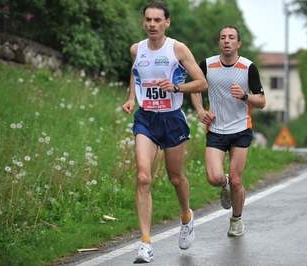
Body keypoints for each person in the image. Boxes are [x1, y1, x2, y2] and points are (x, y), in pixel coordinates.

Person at [121, 0, 207, 263]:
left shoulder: (177, 48)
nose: (152, 24)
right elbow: (136, 73)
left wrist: (176, 87)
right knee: (143, 177)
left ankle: (186, 217)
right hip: (146, 119)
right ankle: (145, 243)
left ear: (167, 22)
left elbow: (201, 82)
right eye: (148, 19)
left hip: (172, 119)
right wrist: (131, 98)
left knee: (176, 177)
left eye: (157, 20)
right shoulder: (137, 49)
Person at [191, 25, 266, 237]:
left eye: (231, 38)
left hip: (241, 128)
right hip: (215, 128)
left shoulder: (248, 67)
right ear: (219, 43)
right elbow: (195, 87)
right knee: (214, 178)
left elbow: (261, 101)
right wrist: (199, 110)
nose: (226, 41)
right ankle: (223, 184)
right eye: (223, 37)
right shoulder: (207, 65)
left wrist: (244, 96)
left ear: (238, 43)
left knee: (237, 180)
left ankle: (236, 219)